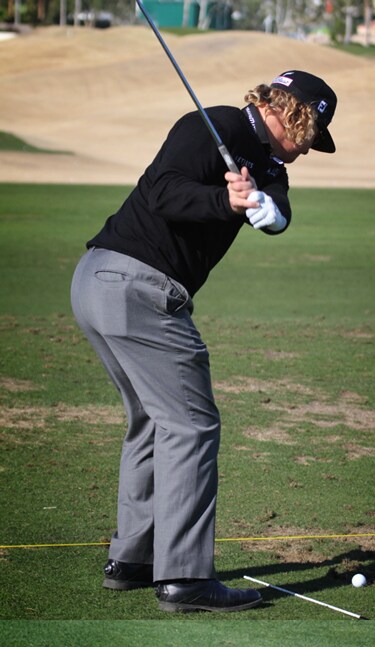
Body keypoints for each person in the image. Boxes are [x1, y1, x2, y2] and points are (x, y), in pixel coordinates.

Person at [71, 70, 337, 613]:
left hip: (104, 284)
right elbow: (163, 191)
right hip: (135, 285)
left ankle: (134, 559)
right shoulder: (212, 126)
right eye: (311, 136)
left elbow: (278, 212)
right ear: (294, 115)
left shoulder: (269, 164)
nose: (309, 149)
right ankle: (185, 578)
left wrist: (263, 207)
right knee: (192, 425)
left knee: (154, 420)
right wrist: (226, 202)